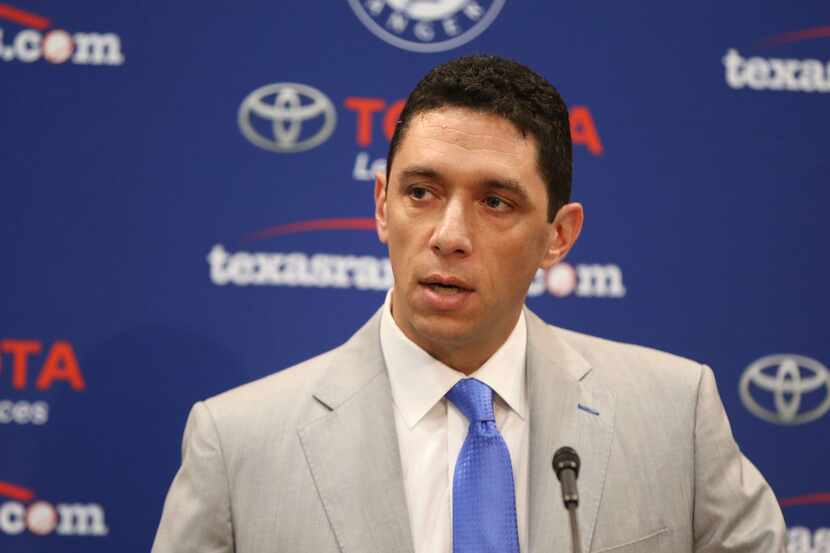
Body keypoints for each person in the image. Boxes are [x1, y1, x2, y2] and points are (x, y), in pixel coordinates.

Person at [152, 55, 786, 553]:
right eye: (421, 191)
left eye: (496, 203)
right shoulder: (237, 446)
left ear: (558, 236)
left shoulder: (674, 416)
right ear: (380, 205)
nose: (449, 235)